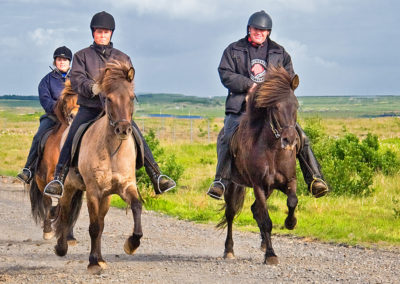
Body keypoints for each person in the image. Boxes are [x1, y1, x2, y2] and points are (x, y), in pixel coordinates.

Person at [44, 11, 175, 198]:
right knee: (72, 134)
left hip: (115, 109)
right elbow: (77, 79)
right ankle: (58, 179)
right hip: (90, 108)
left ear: (111, 33)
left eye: (105, 32)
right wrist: (93, 88)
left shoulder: (122, 57)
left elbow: (128, 81)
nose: (102, 35)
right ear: (93, 33)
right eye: (99, 32)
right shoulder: (82, 56)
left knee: (137, 134)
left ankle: (157, 175)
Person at [207, 10, 329, 200]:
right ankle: (220, 181)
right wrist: (250, 86)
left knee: (301, 137)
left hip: (271, 110)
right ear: (249, 29)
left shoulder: (279, 53)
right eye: (256, 29)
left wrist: (269, 94)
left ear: (268, 32)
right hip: (241, 108)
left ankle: (314, 179)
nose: (259, 32)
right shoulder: (233, 50)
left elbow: (288, 79)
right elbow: (225, 74)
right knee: (227, 137)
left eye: (263, 30)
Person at [17, 46, 73, 183]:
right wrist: (59, 109)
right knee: (38, 136)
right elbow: (45, 100)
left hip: (73, 118)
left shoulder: (77, 79)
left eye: (65, 60)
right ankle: (28, 169)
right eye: (59, 59)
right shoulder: (46, 80)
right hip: (53, 117)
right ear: (55, 62)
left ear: (69, 62)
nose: (62, 62)